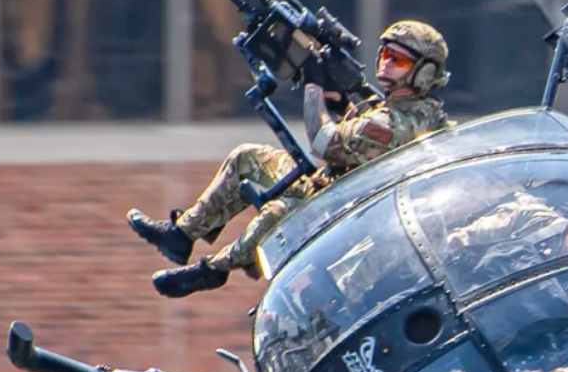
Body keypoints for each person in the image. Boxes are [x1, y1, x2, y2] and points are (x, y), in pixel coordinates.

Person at [128, 20, 452, 298]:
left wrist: (313, 85)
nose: (385, 64)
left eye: (398, 60)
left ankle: (214, 268)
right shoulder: (404, 111)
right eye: (384, 54)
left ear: (424, 74)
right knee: (246, 158)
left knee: (277, 214)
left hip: (344, 211)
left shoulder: (394, 124)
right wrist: (338, 99)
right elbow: (359, 134)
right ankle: (181, 234)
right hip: (332, 187)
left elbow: (325, 143)